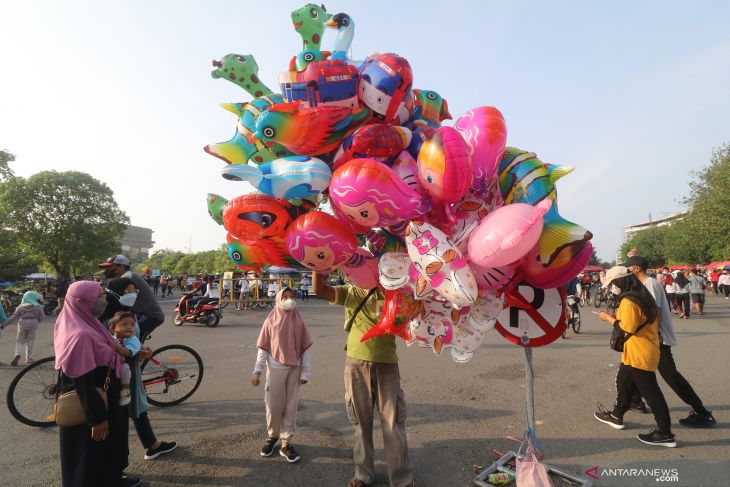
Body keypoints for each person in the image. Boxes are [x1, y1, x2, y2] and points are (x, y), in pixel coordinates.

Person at [312, 272, 415, 487]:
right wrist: (318, 268)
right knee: (361, 422)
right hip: (356, 363)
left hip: (387, 363)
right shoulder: (351, 293)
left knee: (393, 423)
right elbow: (319, 290)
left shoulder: (393, 292)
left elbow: (413, 313)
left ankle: (401, 479)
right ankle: (363, 474)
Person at [54, 281, 139, 487]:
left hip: (106, 396)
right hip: (94, 402)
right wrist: (97, 417)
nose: (104, 300)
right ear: (83, 302)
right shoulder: (81, 335)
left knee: (104, 450)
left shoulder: (87, 323)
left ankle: (112, 479)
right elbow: (81, 381)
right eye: (99, 297)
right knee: (90, 452)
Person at [624, 257, 715, 427]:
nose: (625, 272)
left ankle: (702, 412)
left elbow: (654, 311)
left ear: (636, 268)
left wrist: (656, 335)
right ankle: (632, 401)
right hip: (653, 338)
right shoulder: (647, 283)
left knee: (671, 377)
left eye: (627, 268)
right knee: (634, 369)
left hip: (658, 339)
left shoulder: (649, 283)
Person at [593, 266, 677, 447]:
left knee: (652, 394)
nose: (613, 287)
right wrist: (616, 316)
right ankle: (616, 416)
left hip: (639, 353)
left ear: (621, 281)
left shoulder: (629, 300)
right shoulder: (642, 294)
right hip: (639, 350)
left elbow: (625, 328)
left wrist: (607, 318)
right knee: (623, 382)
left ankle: (665, 433)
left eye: (614, 283)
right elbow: (638, 319)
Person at [100, 277, 178, 461]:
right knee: (121, 412)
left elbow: (130, 338)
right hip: (114, 373)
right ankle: (115, 461)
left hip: (129, 368)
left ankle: (152, 445)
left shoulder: (128, 312)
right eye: (127, 291)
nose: (132, 295)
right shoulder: (103, 318)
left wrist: (140, 348)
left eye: (134, 291)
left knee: (138, 407)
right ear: (115, 292)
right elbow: (105, 347)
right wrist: (132, 353)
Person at [252, 288, 312, 463]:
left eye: (291, 296)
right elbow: (263, 349)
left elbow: (306, 348)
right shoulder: (270, 321)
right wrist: (257, 371)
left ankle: (285, 443)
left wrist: (306, 372)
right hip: (276, 368)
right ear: (278, 299)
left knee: (291, 406)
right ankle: (272, 436)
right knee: (273, 405)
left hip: (295, 368)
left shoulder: (299, 321)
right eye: (285, 297)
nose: (289, 300)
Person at [99, 255, 165, 342]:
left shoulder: (126, 278)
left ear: (121, 267)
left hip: (150, 316)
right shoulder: (126, 277)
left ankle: (136, 353)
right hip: (140, 313)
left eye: (111, 267)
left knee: (130, 340)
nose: (108, 270)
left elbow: (113, 301)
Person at [1, 291, 45, 366]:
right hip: (33, 325)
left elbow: (14, 317)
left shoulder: (20, 307)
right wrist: (37, 321)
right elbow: (42, 316)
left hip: (22, 324)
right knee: (30, 341)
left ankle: (17, 354)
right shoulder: (37, 307)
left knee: (19, 341)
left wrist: (4, 325)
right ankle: (28, 358)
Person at [108, 312, 140, 407]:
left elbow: (127, 352)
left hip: (126, 364)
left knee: (125, 368)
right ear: (113, 328)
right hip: (113, 365)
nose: (129, 327)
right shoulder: (112, 338)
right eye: (124, 324)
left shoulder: (133, 340)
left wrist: (117, 347)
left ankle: (125, 390)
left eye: (132, 325)